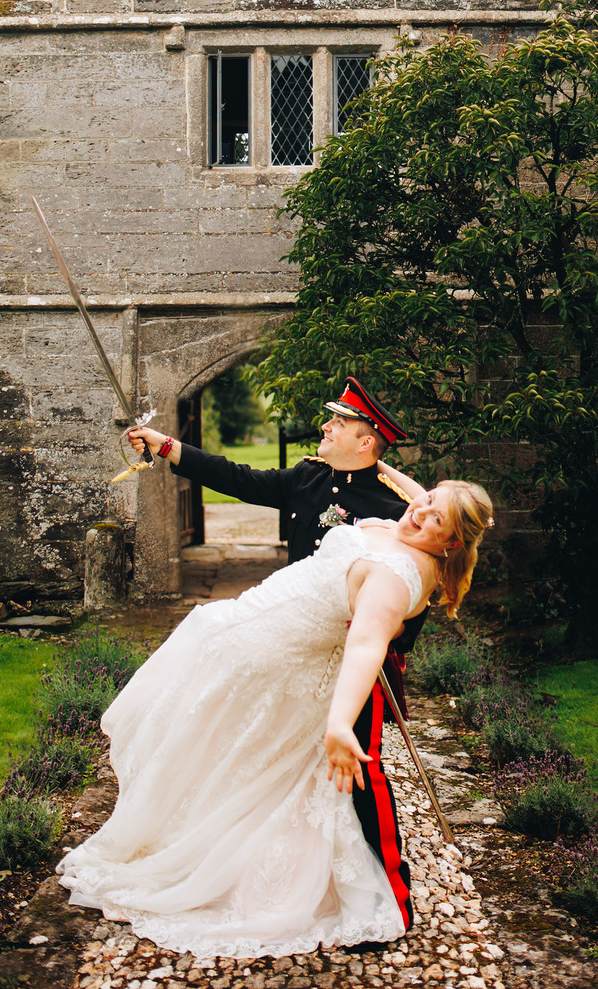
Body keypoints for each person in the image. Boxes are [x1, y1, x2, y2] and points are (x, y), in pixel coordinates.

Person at [58, 476, 494, 959]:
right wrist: (428, 494)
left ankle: (228, 867)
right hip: (251, 628)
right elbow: (427, 503)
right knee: (225, 756)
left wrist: (339, 723)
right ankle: (188, 835)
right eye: (426, 499)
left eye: (435, 517)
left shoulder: (399, 577)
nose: (419, 511)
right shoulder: (414, 526)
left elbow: (367, 644)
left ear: (452, 540)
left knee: (247, 766)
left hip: (283, 667)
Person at [127, 378, 429, 926]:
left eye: (338, 423)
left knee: (363, 769)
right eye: (329, 420)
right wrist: (168, 446)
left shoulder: (397, 507)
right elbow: (239, 478)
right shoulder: (308, 478)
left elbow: (414, 585)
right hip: (294, 646)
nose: (326, 427)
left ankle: (393, 894)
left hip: (353, 658)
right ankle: (285, 878)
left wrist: (390, 642)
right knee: (277, 758)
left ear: (368, 440)